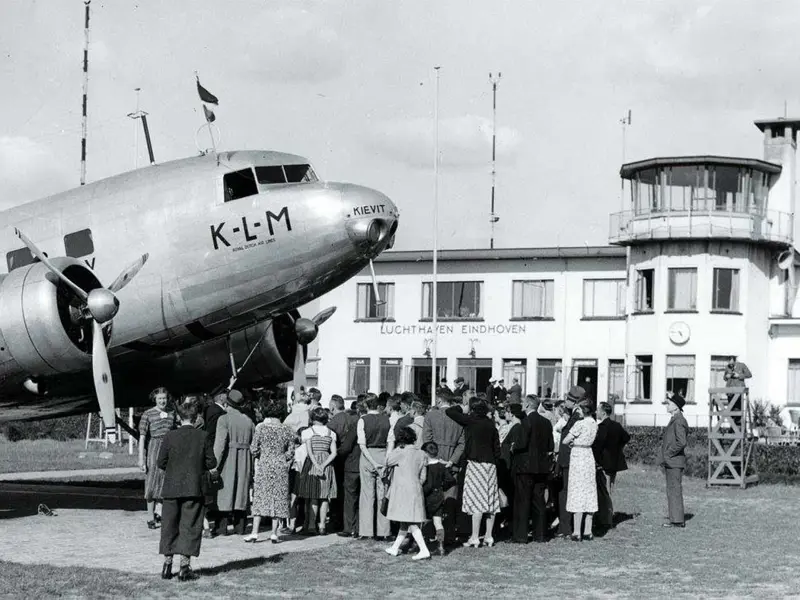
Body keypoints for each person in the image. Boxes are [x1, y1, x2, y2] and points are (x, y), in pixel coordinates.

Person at [157, 396, 216, 581]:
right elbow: (211, 462)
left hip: (171, 487)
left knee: (169, 525)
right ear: (196, 417)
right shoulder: (203, 436)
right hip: (193, 487)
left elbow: (161, 462)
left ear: (179, 417)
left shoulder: (170, 435)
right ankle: (184, 567)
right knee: (190, 526)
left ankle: (167, 565)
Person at [446, 398, 502, 548]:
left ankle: (475, 537)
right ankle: (489, 536)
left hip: (475, 463)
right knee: (490, 501)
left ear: (472, 409)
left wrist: (461, 407)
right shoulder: (491, 424)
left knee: (477, 500)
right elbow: (497, 449)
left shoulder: (470, 421)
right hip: (490, 465)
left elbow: (449, 411)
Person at [245, 396, 295, 544]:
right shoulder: (287, 429)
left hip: (265, 464)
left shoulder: (261, 428)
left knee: (260, 497)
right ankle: (274, 533)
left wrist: (264, 454)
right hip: (280, 465)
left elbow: (253, 449)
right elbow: (291, 451)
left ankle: (254, 532)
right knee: (278, 498)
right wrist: (281, 457)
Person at [510, 395, 554, 543]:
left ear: (528, 405)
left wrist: (513, 446)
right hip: (541, 467)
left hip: (525, 466)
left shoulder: (526, 421)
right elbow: (550, 446)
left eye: (523, 403)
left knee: (522, 501)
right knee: (539, 500)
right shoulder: (546, 422)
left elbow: (522, 443)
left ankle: (521, 535)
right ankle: (540, 534)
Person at [422, 392, 465, 545]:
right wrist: (452, 460)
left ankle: (430, 532)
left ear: (439, 400)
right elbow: (462, 443)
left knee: (431, 499)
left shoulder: (430, 415)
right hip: (451, 463)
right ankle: (449, 534)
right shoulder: (458, 417)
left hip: (433, 462)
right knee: (450, 500)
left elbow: (426, 439)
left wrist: (434, 458)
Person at [384, 427, 431, 560]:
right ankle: (395, 547)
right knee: (406, 521)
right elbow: (423, 477)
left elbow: (387, 461)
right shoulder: (422, 453)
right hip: (415, 488)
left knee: (410, 522)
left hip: (402, 490)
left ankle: (424, 549)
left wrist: (391, 445)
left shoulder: (400, 452)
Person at [213, 389, 255, 536]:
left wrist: (214, 465)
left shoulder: (223, 419)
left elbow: (220, 444)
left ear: (226, 402)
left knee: (225, 491)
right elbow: (254, 445)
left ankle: (221, 528)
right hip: (245, 458)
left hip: (228, 458)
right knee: (241, 491)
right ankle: (240, 527)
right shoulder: (249, 421)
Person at [138, 387, 177, 529]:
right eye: (160, 398)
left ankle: (159, 513)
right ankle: (150, 517)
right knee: (152, 483)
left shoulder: (172, 413)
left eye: (164, 398)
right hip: (154, 448)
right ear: (155, 399)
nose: (162, 401)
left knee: (165, 482)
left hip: (168, 448)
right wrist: (141, 458)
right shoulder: (148, 414)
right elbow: (142, 437)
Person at [296, 407, 338, 535]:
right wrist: (324, 465)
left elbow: (309, 451)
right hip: (327, 463)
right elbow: (334, 453)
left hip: (313, 464)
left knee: (313, 495)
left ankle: (311, 525)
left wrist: (317, 465)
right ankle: (322, 526)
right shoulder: (331, 433)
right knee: (324, 497)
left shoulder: (308, 432)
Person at [562, 402, 598, 541]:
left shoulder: (580, 424)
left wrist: (573, 443)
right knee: (589, 490)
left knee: (577, 490)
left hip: (578, 455)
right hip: (588, 455)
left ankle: (577, 531)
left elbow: (566, 440)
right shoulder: (594, 423)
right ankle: (588, 530)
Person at [358, 393, 392, 540]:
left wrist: (373, 461)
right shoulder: (387, 419)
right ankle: (384, 531)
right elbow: (391, 441)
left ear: (366, 405)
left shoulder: (363, 420)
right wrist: (386, 460)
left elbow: (362, 444)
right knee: (382, 494)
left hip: (368, 456)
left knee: (367, 495)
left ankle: (366, 531)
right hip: (383, 453)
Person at [592, 402, 630, 532]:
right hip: (614, 462)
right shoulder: (616, 425)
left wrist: (596, 459)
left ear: (603, 412)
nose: (596, 412)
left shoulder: (602, 427)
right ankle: (607, 517)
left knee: (605, 491)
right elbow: (626, 437)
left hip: (604, 463)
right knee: (610, 489)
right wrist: (617, 448)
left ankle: (606, 520)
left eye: (597, 410)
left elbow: (598, 445)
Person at [556, 386, 584, 538]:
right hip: (570, 459)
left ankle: (565, 527)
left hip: (569, 459)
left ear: (574, 402)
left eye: (568, 399)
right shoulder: (574, 416)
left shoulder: (576, 418)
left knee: (566, 492)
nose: (565, 401)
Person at [421, 441, 457, 555]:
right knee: (438, 522)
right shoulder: (442, 466)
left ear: (426, 453)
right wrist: (442, 487)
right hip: (439, 495)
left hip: (427, 496)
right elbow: (451, 480)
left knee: (423, 520)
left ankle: (421, 542)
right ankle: (441, 546)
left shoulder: (426, 467)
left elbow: (428, 485)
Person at [661, 392, 689, 528]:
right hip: (673, 461)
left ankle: (677, 520)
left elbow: (682, 442)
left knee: (674, 490)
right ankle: (675, 519)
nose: (667, 405)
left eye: (670, 403)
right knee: (672, 490)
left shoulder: (678, 421)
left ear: (676, 407)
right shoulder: (676, 419)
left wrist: (669, 453)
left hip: (674, 461)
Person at [724, 356, 752, 428]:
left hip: (739, 392)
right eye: (729, 364)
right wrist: (726, 376)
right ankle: (733, 429)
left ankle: (739, 429)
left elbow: (749, 375)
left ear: (735, 361)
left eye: (732, 363)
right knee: (731, 411)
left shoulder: (742, 365)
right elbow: (724, 378)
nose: (730, 365)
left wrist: (739, 375)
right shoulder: (727, 367)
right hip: (730, 392)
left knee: (738, 411)